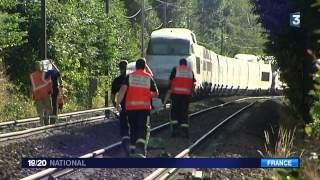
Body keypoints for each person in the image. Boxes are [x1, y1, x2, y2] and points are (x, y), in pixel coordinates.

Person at [116, 58, 159, 158]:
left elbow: (122, 90)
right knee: (142, 128)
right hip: (144, 108)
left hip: (131, 108)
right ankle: (139, 150)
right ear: (144, 67)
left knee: (134, 128)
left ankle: (132, 150)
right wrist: (147, 94)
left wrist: (118, 103)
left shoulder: (129, 76)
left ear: (136, 66)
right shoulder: (148, 77)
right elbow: (156, 93)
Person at [163, 58, 196, 138]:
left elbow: (170, 83)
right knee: (184, 113)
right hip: (186, 96)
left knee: (174, 113)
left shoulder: (175, 69)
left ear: (180, 63)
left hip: (176, 95)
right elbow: (193, 84)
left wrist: (165, 101)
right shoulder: (190, 71)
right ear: (186, 64)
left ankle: (175, 130)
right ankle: (185, 131)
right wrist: (191, 93)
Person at [111, 60, 130, 157]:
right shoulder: (133, 78)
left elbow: (113, 96)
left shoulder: (117, 80)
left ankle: (125, 144)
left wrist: (116, 105)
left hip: (123, 106)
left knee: (124, 126)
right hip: (134, 106)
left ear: (119, 68)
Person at [30, 61, 53, 126]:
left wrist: (33, 93)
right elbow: (49, 82)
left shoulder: (32, 75)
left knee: (40, 109)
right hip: (45, 93)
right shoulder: (45, 73)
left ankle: (41, 123)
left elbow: (32, 85)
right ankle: (46, 118)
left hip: (37, 93)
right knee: (49, 108)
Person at [45, 60, 63, 124]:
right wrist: (52, 64)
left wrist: (52, 64)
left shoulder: (52, 73)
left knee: (53, 105)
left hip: (53, 90)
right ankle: (48, 120)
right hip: (50, 90)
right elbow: (58, 73)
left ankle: (52, 120)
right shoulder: (50, 72)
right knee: (51, 105)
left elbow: (58, 73)